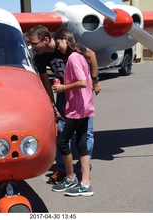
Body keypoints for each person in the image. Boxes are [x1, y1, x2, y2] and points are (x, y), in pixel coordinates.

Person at [25, 25, 101, 183]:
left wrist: (95, 80)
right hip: (63, 96)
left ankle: (81, 170)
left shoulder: (68, 46)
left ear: (46, 40)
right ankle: (63, 169)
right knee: (61, 133)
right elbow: (46, 83)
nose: (32, 47)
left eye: (34, 44)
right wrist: (53, 107)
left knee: (86, 133)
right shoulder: (39, 57)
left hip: (80, 95)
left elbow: (92, 56)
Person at [51, 27, 95, 196]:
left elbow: (83, 82)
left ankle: (70, 177)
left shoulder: (73, 58)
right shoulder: (81, 56)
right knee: (81, 145)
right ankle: (85, 184)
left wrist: (63, 87)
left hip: (77, 108)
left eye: (59, 43)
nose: (58, 47)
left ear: (65, 39)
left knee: (63, 142)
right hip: (86, 107)